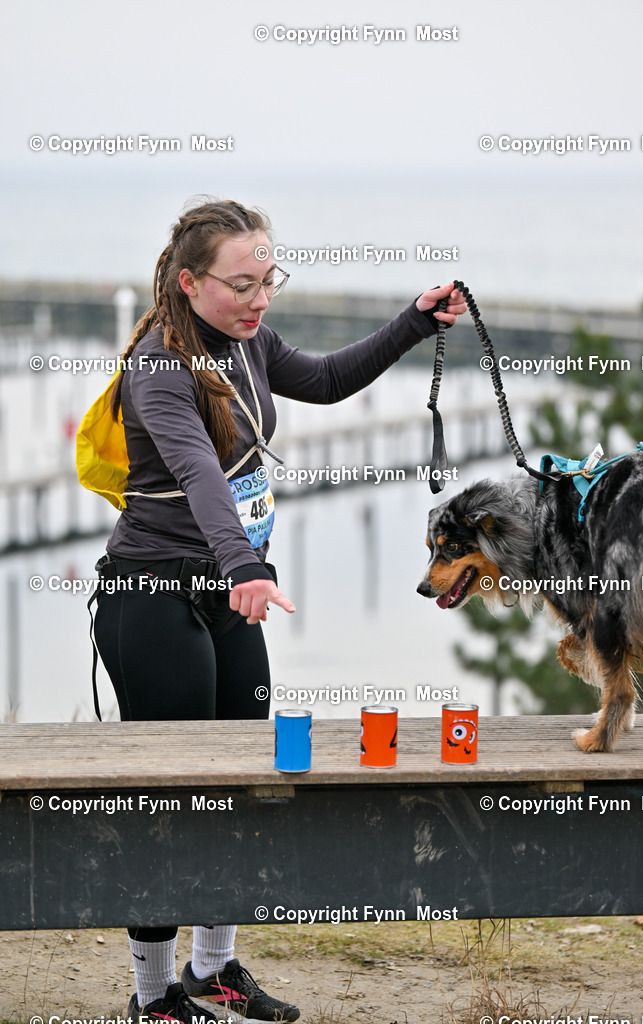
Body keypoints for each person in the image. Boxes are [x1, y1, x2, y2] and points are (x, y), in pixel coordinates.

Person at [90, 197, 466, 1024]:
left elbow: (326, 381)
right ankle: (153, 994)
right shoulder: (158, 368)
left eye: (269, 281)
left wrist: (412, 322)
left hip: (232, 593)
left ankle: (212, 969)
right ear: (189, 283)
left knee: (241, 780)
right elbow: (198, 474)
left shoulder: (250, 342)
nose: (259, 299)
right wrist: (244, 564)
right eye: (242, 285)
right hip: (153, 597)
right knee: (173, 797)